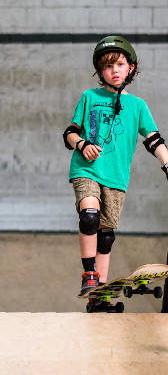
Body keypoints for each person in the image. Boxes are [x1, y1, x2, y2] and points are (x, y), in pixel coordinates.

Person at [63, 36, 168, 304]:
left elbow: (153, 139)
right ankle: (89, 274)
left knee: (106, 235)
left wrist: (166, 162)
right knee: (89, 216)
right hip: (86, 170)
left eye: (120, 64)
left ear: (130, 68)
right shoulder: (89, 97)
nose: (115, 70)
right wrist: (82, 143)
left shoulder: (138, 106)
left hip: (117, 177)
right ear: (100, 71)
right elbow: (69, 133)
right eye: (108, 66)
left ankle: (100, 293)